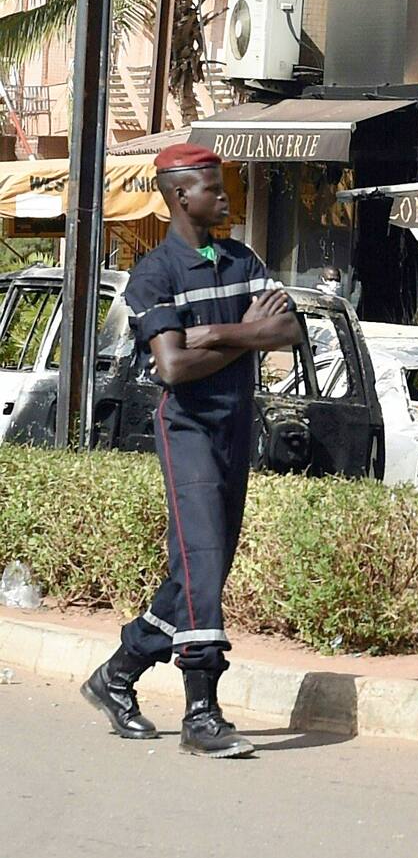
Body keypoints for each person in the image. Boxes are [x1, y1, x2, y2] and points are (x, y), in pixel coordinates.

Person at [79, 143, 303, 758]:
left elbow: (289, 329)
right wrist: (250, 335)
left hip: (237, 427)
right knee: (202, 563)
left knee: (200, 572)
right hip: (189, 433)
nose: (226, 196)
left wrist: (222, 331)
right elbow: (173, 368)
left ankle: (117, 675)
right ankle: (201, 713)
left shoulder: (242, 259)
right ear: (180, 196)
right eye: (214, 187)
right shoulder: (155, 273)